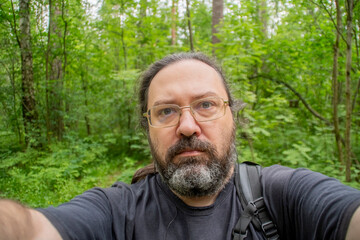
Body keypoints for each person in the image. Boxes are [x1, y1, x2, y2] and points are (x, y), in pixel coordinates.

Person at [1, 52, 360, 240]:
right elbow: (34, 230)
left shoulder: (286, 197)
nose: (187, 126)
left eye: (205, 104)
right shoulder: (116, 212)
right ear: (148, 129)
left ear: (233, 117)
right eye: (166, 111)